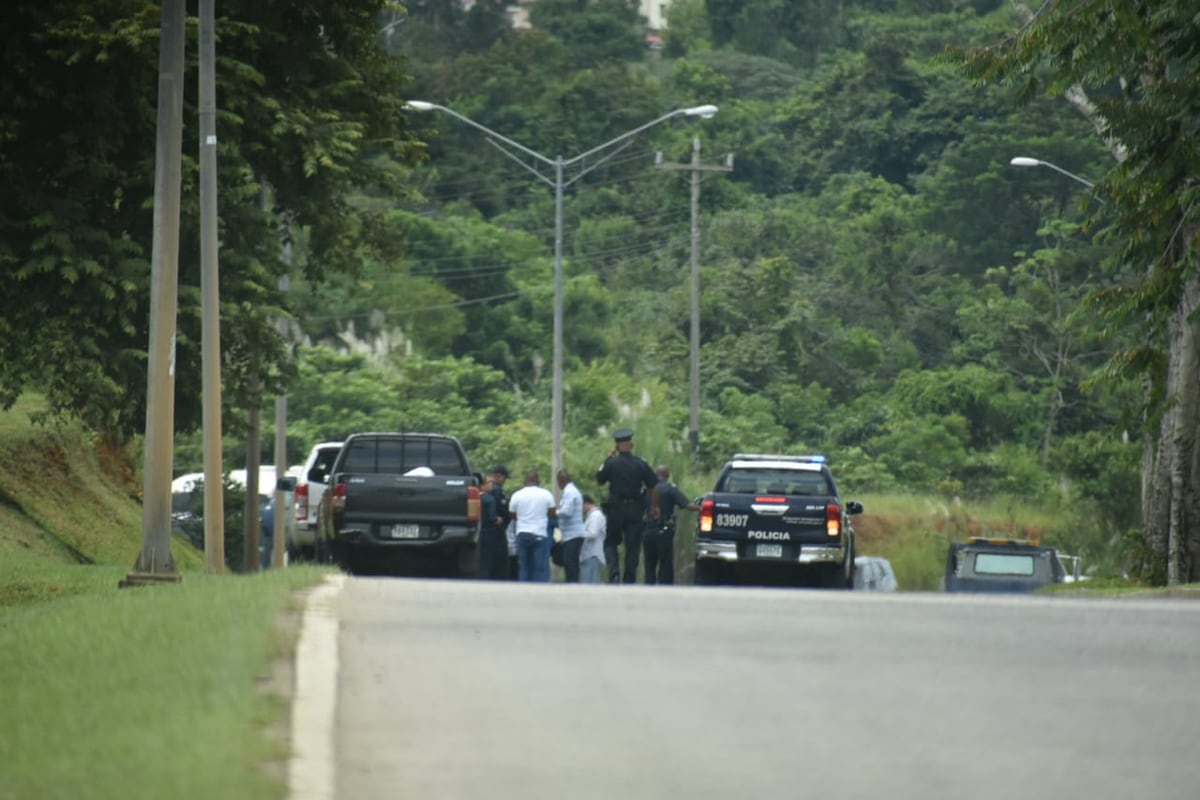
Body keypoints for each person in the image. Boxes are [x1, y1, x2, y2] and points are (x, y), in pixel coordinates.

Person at [595, 428, 659, 583]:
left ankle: (614, 571)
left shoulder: (611, 463)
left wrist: (607, 459)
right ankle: (629, 578)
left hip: (615, 510)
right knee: (633, 546)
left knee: (610, 542)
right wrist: (655, 507)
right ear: (631, 445)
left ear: (616, 446)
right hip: (635, 510)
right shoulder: (641, 464)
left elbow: (599, 480)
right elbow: (653, 486)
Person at [643, 464, 700, 585]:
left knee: (649, 564)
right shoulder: (670, 489)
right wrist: (702, 508)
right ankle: (665, 589)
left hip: (648, 530)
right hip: (664, 532)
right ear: (667, 476)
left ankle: (648, 588)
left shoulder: (647, 490)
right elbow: (687, 505)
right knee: (665, 564)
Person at [508, 469, 556, 582]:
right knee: (539, 567)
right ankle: (539, 592)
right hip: (540, 534)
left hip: (522, 533)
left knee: (523, 567)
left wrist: (524, 517)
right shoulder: (546, 494)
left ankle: (523, 591)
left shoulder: (517, 495)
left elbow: (512, 515)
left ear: (525, 481)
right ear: (538, 481)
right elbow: (552, 514)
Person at [479, 465, 511, 580]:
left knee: (485, 560)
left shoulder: (480, 497)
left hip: (482, 531)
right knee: (498, 560)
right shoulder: (495, 494)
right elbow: (499, 514)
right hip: (495, 532)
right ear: (500, 476)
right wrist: (502, 520)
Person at [556, 470, 585, 582]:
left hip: (573, 534)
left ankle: (572, 584)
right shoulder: (573, 491)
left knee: (570, 563)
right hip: (572, 534)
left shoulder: (569, 492)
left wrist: (556, 513)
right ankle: (573, 583)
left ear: (561, 481)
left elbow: (567, 512)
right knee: (570, 561)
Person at [580, 494, 606, 584]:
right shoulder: (592, 516)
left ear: (586, 504)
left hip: (593, 555)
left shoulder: (595, 516)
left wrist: (579, 534)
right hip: (589, 555)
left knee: (590, 585)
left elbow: (593, 533)